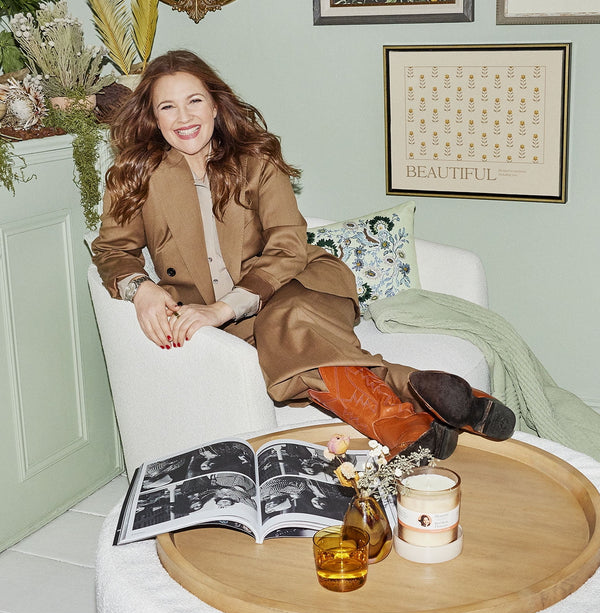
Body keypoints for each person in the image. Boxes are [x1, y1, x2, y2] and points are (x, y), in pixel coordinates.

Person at [91, 50, 514, 462]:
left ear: (216, 107)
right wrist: (140, 287)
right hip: (235, 325)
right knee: (288, 346)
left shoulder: (256, 160)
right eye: (168, 107)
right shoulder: (136, 176)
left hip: (302, 286)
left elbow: (288, 244)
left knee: (285, 320)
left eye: (194, 101)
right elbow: (112, 250)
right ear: (153, 116)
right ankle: (430, 396)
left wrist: (223, 308)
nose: (183, 118)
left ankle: (399, 427)